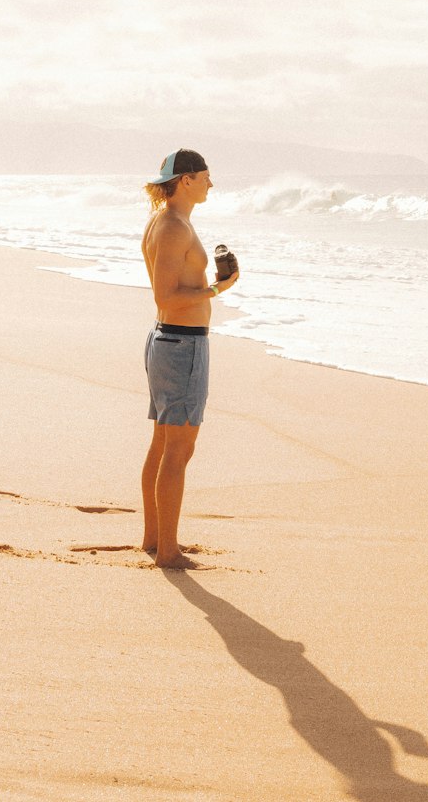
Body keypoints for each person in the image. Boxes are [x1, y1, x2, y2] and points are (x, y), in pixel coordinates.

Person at [140, 148, 238, 570]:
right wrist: (219, 289)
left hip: (170, 342)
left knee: (164, 444)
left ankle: (155, 539)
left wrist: (211, 284)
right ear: (186, 180)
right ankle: (167, 551)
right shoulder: (173, 227)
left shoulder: (167, 223)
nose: (211, 184)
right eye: (205, 177)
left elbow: (174, 287)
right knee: (179, 449)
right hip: (182, 346)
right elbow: (166, 297)